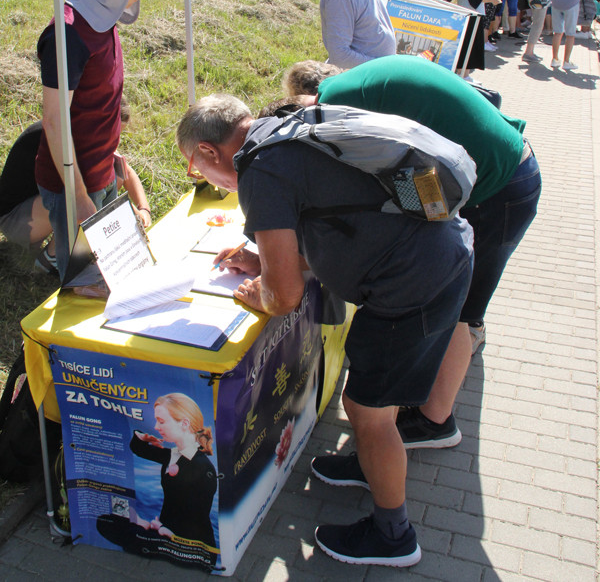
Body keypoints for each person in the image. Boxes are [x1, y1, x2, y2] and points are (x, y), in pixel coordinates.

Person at [177, 94, 474, 568]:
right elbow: (335, 217)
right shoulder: (286, 131)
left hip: (414, 281)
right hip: (437, 255)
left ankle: (394, 536)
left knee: (367, 409)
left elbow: (286, 297)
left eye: (196, 169)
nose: (204, 179)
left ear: (211, 153)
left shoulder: (260, 170)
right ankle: (369, 464)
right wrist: (267, 261)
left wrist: (264, 291)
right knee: (373, 406)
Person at [282, 55, 541, 426]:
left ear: (307, 97)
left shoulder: (334, 101)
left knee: (457, 312)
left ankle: (434, 422)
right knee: (459, 310)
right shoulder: (367, 82)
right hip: (510, 172)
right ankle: (433, 404)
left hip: (498, 188)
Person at [35, 0, 171, 280]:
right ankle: (51, 266)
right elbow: (54, 121)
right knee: (84, 284)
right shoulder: (68, 33)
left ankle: (53, 260)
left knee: (114, 272)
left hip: (101, 169)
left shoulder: (102, 16)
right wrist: (79, 197)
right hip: (74, 181)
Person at [0, 108, 153, 276]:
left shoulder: (87, 133)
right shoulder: (63, 139)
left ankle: (90, 242)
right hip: (15, 220)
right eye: (113, 133)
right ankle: (52, 257)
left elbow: (126, 172)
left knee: (114, 173)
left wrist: (144, 208)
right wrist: (127, 212)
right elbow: (78, 192)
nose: (114, 141)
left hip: (38, 208)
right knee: (85, 189)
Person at [97, 392, 217, 563]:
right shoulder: (174, 455)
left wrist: (166, 531)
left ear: (184, 423)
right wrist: (142, 436)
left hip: (190, 546)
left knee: (113, 526)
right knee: (108, 520)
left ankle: (145, 535)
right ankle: (144, 530)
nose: (156, 427)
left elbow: (198, 517)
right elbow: (139, 448)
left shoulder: (203, 468)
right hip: (163, 531)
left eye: (161, 421)